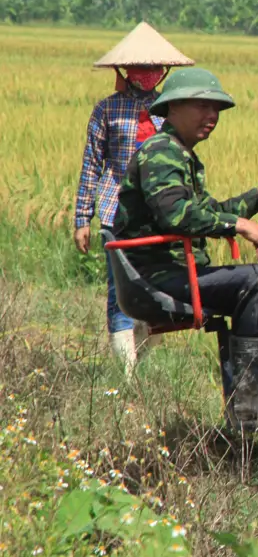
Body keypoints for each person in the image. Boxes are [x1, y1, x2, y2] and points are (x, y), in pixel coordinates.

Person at [111, 67, 258, 421]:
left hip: (172, 273)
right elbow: (178, 217)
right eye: (202, 106)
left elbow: (208, 212)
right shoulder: (161, 153)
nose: (211, 116)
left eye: (216, 108)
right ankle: (251, 396)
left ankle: (245, 400)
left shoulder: (179, 154)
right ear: (173, 108)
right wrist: (242, 225)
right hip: (158, 278)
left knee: (257, 280)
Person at [73, 22, 195, 373]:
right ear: (125, 71)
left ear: (162, 72)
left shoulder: (173, 110)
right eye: (139, 68)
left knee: (158, 290)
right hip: (115, 212)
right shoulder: (106, 110)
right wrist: (83, 218)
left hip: (159, 215)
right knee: (120, 291)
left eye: (152, 68)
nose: (146, 75)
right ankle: (125, 377)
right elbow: (91, 165)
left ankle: (138, 365)